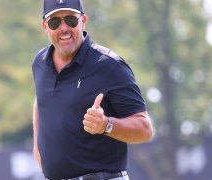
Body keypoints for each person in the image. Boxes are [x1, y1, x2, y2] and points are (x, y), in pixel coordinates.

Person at [32, 0, 153, 179]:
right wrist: (37, 147)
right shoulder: (40, 62)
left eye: (71, 20)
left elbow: (145, 129)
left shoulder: (110, 65)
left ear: (83, 20)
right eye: (55, 22)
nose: (63, 28)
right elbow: (41, 101)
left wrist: (106, 125)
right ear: (45, 26)